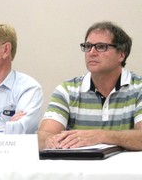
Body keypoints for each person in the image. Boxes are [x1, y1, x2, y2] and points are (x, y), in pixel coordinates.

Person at [38, 21, 142, 151]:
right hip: (78, 169)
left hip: (127, 170)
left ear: (121, 55)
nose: (91, 52)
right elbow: (43, 135)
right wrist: (50, 141)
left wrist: (101, 136)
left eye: (101, 46)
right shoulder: (67, 90)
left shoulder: (139, 89)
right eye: (88, 46)